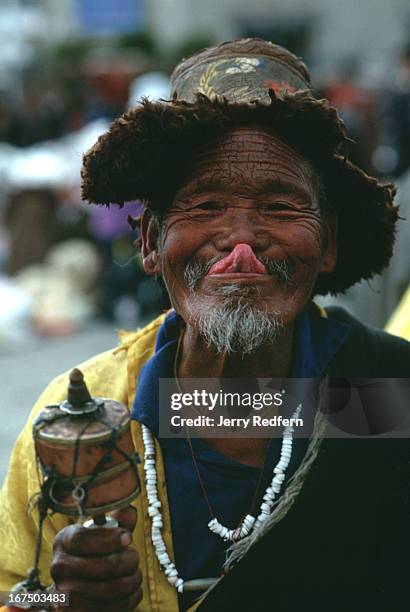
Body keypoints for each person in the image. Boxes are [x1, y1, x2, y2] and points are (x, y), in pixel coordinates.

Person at [1, 38, 409, 612]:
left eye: (280, 206)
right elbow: (13, 595)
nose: (241, 241)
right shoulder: (89, 413)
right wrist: (61, 602)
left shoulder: (383, 390)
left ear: (329, 243)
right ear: (149, 241)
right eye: (205, 205)